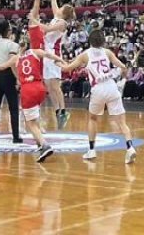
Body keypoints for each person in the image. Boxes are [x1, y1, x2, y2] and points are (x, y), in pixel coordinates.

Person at [59, 29, 137, 164]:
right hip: (111, 86)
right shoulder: (107, 52)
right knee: (121, 122)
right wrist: (120, 73)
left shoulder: (85, 54)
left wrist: (57, 62)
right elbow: (123, 67)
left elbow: (67, 68)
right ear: (103, 40)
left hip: (98, 89)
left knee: (93, 118)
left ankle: (91, 150)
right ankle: (130, 147)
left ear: (90, 40)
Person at [0, 43, 65, 162]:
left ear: (20, 48)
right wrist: (60, 59)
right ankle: (39, 144)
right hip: (40, 87)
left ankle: (44, 145)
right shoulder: (35, 51)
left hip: (27, 90)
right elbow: (49, 54)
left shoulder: (16, 57)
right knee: (34, 118)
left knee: (30, 123)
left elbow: (1, 67)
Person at [42, 0, 75, 130]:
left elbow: (47, 29)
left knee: (55, 85)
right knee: (48, 85)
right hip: (46, 54)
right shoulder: (57, 15)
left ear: (64, 12)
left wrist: (34, 23)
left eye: (62, 7)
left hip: (54, 56)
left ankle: (63, 111)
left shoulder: (62, 24)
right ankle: (57, 111)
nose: (59, 6)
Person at [0, 22, 22, 143]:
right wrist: (18, 78)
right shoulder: (13, 45)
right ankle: (16, 136)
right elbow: (12, 63)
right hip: (9, 76)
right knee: (13, 108)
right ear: (9, 31)